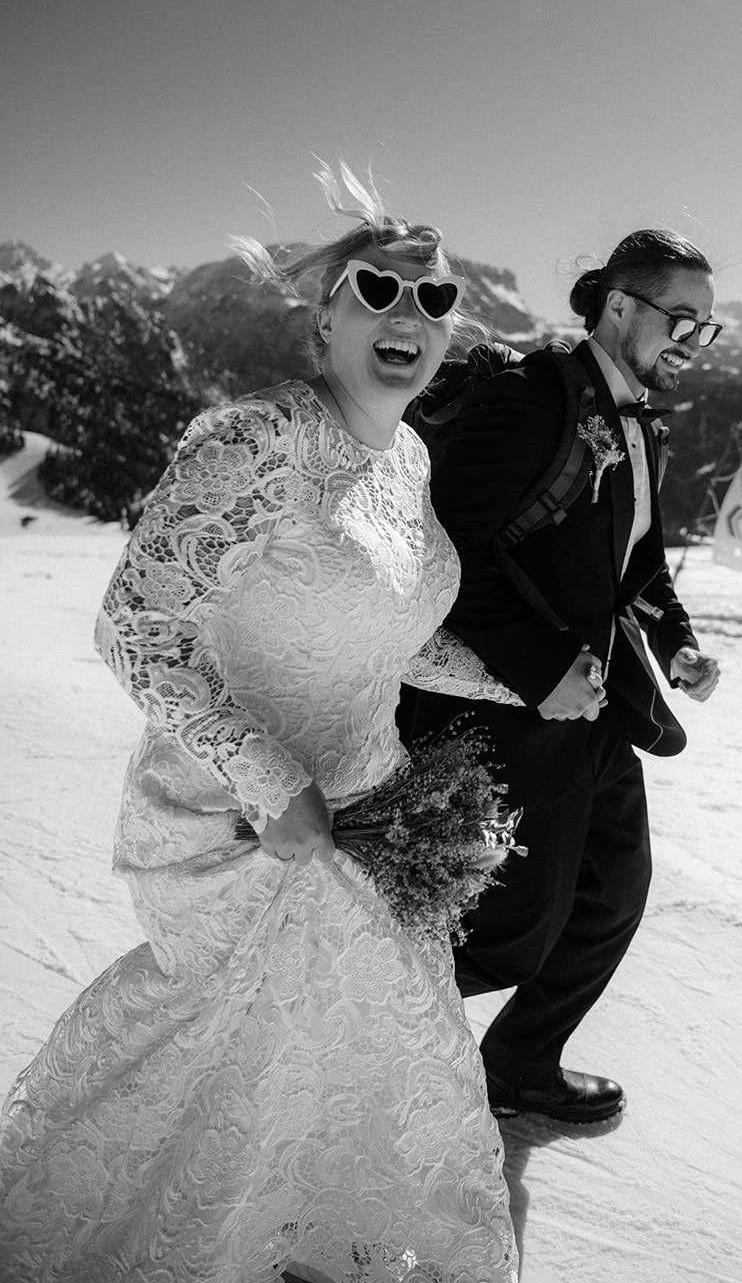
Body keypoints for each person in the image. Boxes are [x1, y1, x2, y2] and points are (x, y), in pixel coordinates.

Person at [0, 164, 520, 1283]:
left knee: (349, 1050)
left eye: (434, 298)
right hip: (244, 824)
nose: (408, 314)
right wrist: (269, 778)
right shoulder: (259, 440)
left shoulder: (407, 456)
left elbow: (380, 626)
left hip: (370, 810)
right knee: (218, 1053)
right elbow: (138, 626)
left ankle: (302, 1240)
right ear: (325, 315)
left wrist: (511, 683)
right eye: (378, 289)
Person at [402, 229, 722, 1126]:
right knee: (508, 935)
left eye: (706, 327)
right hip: (505, 706)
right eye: (681, 319)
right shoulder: (532, 397)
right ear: (618, 305)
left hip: (596, 703)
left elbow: (637, 564)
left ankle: (518, 1065)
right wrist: (544, 672)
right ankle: (327, 1019)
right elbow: (444, 551)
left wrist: (675, 644)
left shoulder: (642, 422)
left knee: (615, 891)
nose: (693, 342)